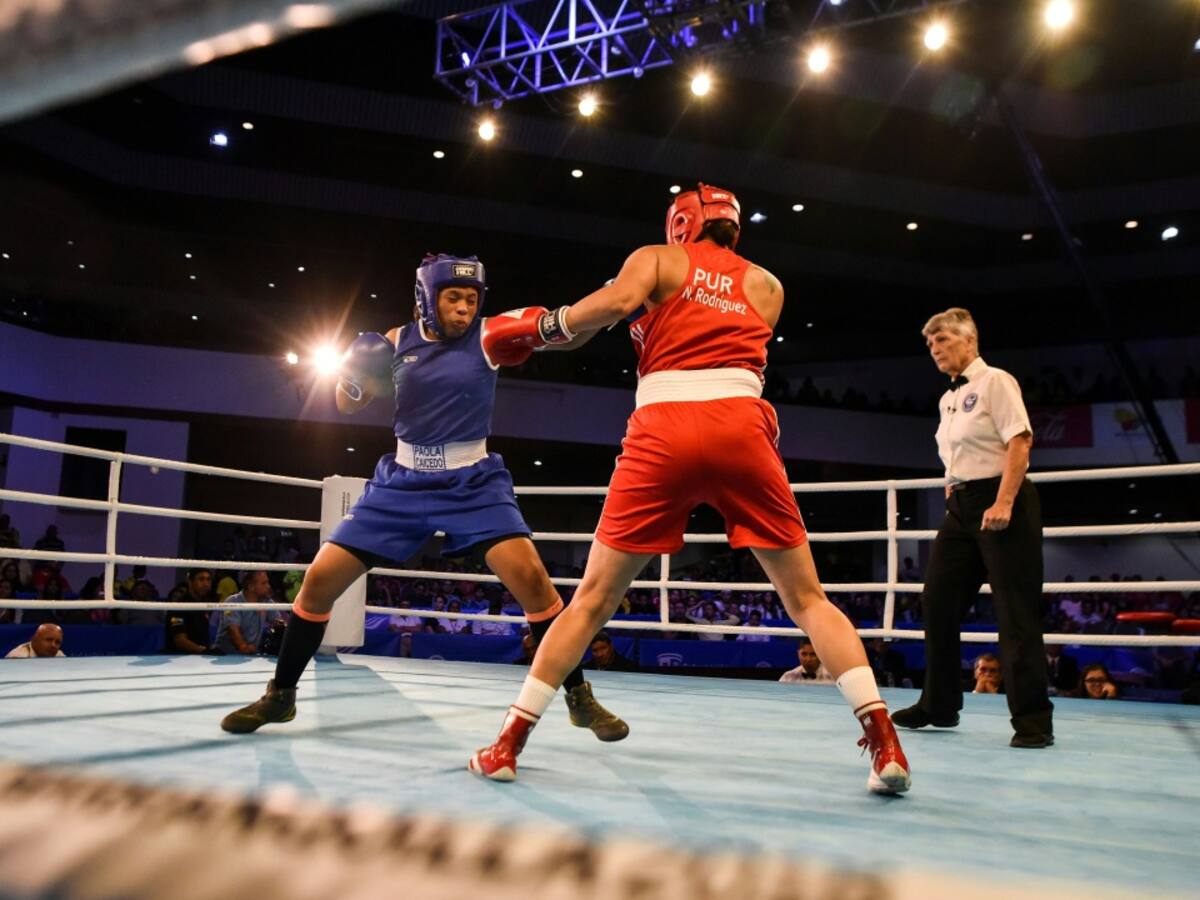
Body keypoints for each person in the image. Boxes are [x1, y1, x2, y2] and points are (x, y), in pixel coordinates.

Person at [470, 183, 910, 793]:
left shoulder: (657, 258)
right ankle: (885, 742)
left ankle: (507, 745)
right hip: (741, 427)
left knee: (593, 600)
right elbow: (722, 338)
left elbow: (612, 306)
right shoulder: (768, 285)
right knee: (808, 599)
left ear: (682, 222)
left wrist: (542, 326)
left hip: (663, 429)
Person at [221, 253, 626, 741]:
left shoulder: (490, 335)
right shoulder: (392, 343)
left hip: (471, 482)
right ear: (427, 300)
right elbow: (347, 405)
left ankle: (579, 698)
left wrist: (611, 303)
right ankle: (280, 696)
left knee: (536, 585)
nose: (463, 309)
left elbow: (566, 331)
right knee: (319, 582)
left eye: (471, 299)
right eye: (453, 298)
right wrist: (354, 373)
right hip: (402, 482)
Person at [892, 308, 1054, 749]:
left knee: (1015, 612)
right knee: (937, 602)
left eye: (943, 339)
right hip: (962, 505)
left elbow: (1019, 440)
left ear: (969, 340)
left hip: (1003, 500)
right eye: (930, 344)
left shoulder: (995, 381)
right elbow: (956, 451)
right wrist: (951, 487)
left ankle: (1034, 722)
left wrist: (1003, 500)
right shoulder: (948, 398)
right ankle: (939, 704)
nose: (935, 349)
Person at [214, 570, 274, 655]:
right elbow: (232, 629)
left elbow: (279, 622)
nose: (268, 586)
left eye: (268, 582)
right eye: (264, 583)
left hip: (251, 656)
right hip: (225, 655)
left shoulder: (266, 601)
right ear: (251, 587)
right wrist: (243, 646)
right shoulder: (232, 602)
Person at [165, 568, 220, 654]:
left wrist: (208, 649)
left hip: (199, 659)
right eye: (201, 579)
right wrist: (204, 650)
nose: (206, 584)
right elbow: (180, 640)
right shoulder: (179, 606)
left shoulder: (203, 604)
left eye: (208, 579)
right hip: (180, 659)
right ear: (190, 582)